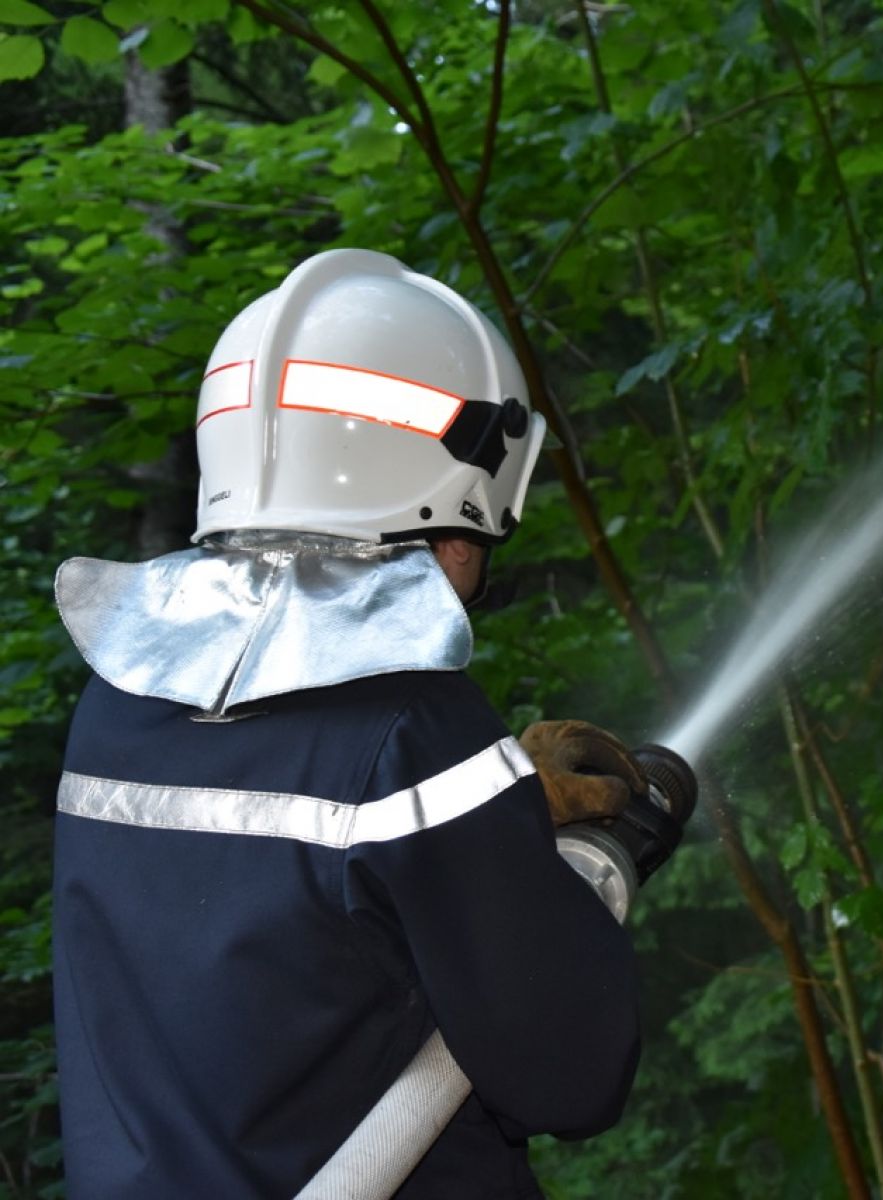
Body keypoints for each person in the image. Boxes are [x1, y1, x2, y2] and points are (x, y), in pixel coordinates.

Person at [52, 249, 644, 1197]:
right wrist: (583, 865)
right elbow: (570, 1079)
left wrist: (493, 826)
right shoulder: (412, 731)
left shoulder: (119, 696)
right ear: (469, 501)